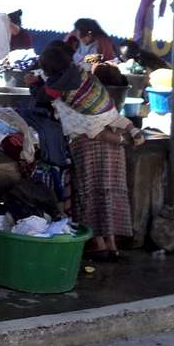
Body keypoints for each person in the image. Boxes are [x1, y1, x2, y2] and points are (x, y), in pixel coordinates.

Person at [29, 46, 140, 262]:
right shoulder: (83, 72)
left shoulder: (59, 84)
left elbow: (43, 97)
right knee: (110, 189)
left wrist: (34, 85)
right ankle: (112, 244)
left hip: (87, 142)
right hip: (113, 136)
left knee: (90, 190)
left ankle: (98, 245)